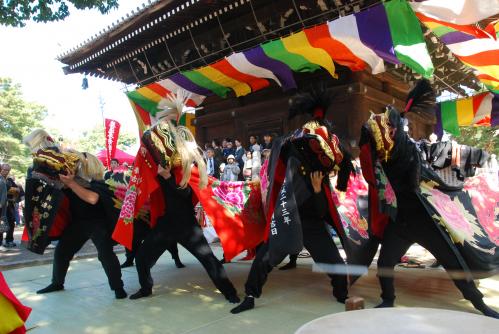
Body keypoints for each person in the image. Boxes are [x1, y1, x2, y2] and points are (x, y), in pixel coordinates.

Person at [36, 151, 127, 299]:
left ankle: (118, 287)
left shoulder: (98, 182)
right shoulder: (71, 181)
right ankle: (57, 283)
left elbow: (92, 199)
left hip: (98, 223)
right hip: (78, 223)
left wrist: (71, 183)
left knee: (105, 254)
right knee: (62, 251)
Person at [1, 164, 19, 248]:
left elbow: (18, 190)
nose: (6, 171)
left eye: (8, 170)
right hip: (1, 205)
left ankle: (9, 240)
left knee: (11, 223)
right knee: (1, 223)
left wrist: (13, 190)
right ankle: (0, 243)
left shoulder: (9, 180)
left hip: (9, 205)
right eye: (4, 169)